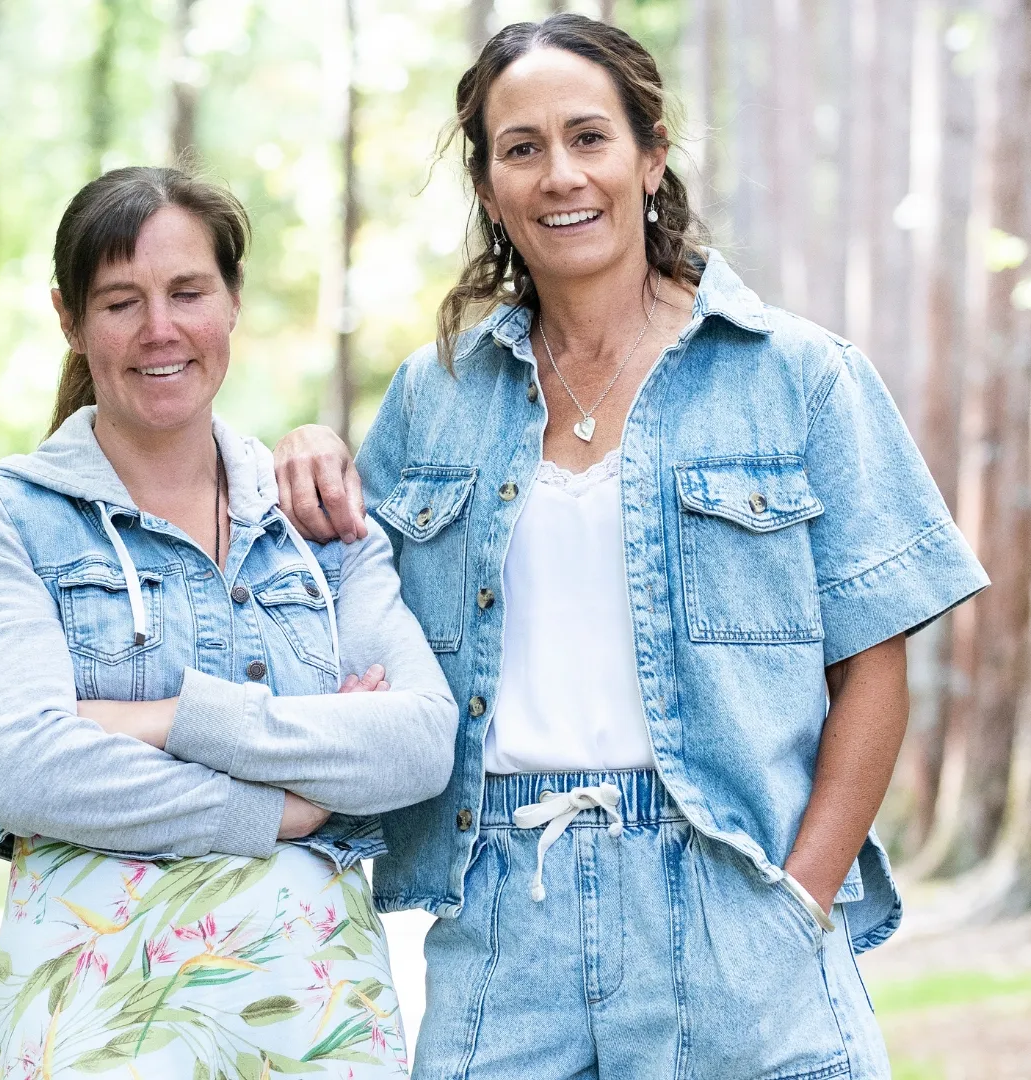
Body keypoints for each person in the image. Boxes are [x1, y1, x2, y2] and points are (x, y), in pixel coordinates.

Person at [273, 15, 990, 1079]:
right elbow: (345, 612)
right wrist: (307, 454)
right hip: (503, 919)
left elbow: (873, 668)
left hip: (734, 902)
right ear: (488, 187)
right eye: (521, 148)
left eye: (589, 138)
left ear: (650, 155)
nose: (560, 175)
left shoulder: (799, 376)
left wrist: (800, 898)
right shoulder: (436, 399)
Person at [0, 166, 457, 1079]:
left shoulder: (317, 524)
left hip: (316, 1029)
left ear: (233, 301)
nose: (159, 330)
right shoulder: (1, 522)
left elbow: (416, 743)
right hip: (98, 1030)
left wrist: (162, 717)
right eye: (120, 302)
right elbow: (22, 768)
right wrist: (284, 809)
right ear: (69, 318)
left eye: (187, 292)